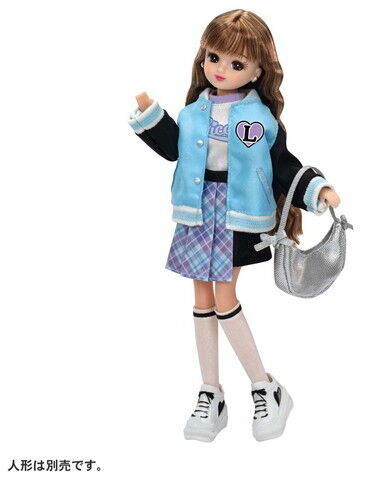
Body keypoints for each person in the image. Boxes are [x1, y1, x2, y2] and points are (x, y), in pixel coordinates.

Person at [128, 9, 341, 442]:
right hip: (196, 210)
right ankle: (211, 392)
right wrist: (151, 114)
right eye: (214, 58)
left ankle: (265, 386)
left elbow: (282, 164)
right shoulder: (194, 112)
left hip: (238, 214)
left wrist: (316, 189)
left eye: (236, 63)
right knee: (202, 298)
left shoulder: (260, 118)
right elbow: (173, 150)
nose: (221, 69)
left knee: (225, 297)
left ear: (259, 69)